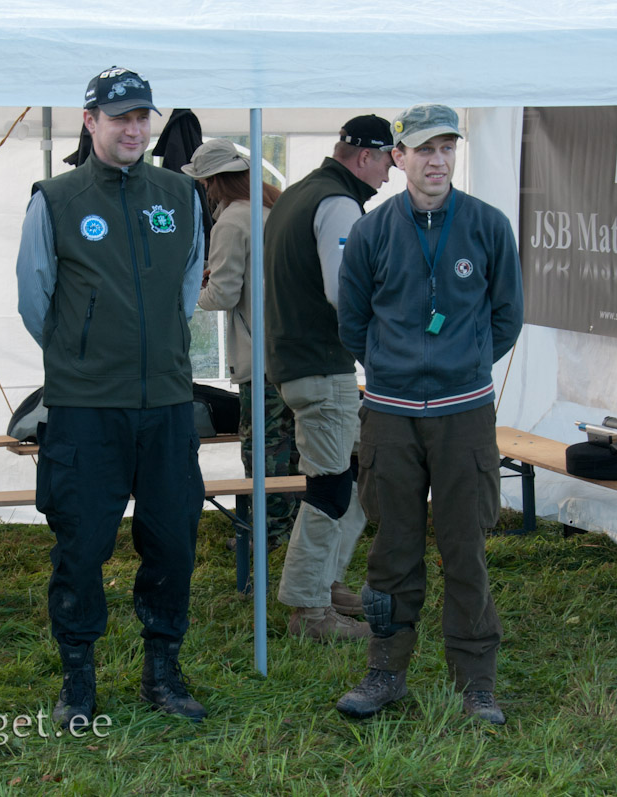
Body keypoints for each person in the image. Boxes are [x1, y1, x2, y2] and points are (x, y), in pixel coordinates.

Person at [16, 67, 207, 728]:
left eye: (141, 117)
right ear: (90, 120)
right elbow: (34, 298)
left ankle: (163, 672)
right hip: (86, 408)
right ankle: (78, 680)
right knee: (81, 544)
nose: (133, 128)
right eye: (119, 116)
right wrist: (84, 352)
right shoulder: (56, 197)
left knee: (174, 541)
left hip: (166, 406)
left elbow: (186, 291)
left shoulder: (180, 195)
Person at [334, 104, 523, 724]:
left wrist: (461, 365)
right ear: (399, 158)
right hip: (388, 415)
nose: (436, 160)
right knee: (393, 548)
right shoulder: (370, 231)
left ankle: (476, 682)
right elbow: (353, 322)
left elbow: (506, 317)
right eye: (423, 149)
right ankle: (385, 672)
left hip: (463, 413)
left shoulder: (489, 226)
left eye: (446, 148)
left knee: (465, 547)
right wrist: (395, 369)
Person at [263, 115, 395, 640]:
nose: (390, 174)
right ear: (364, 156)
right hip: (321, 365)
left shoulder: (299, 193)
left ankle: (326, 581)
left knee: (361, 468)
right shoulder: (338, 203)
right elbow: (345, 292)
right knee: (330, 487)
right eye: (388, 160)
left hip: (301, 361)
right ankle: (309, 610)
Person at [181, 138, 297, 551]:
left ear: (212, 182)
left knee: (264, 452)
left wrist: (193, 288)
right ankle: (296, 535)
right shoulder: (275, 208)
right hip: (297, 353)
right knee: (296, 449)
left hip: (260, 358)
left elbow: (223, 297)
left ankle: (271, 537)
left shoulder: (231, 222)